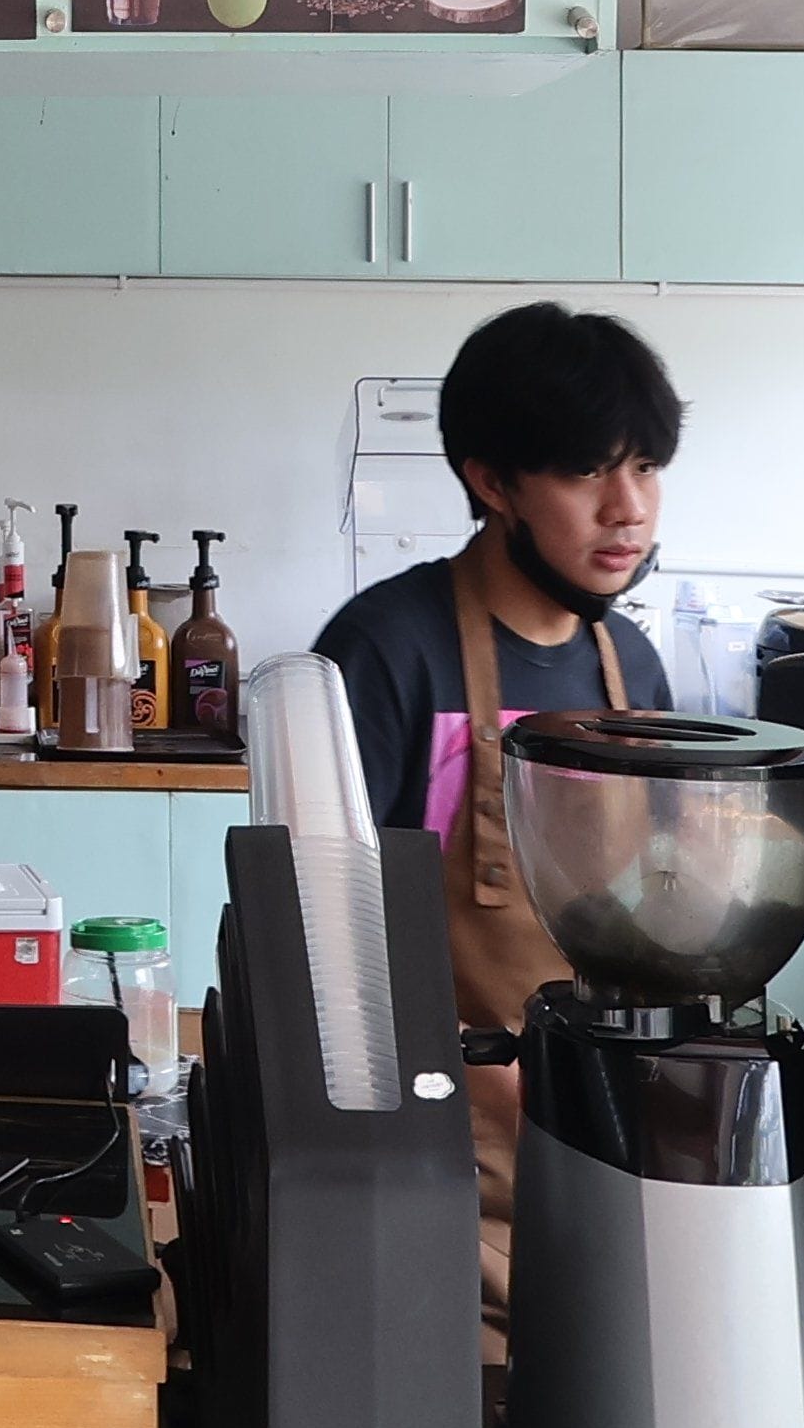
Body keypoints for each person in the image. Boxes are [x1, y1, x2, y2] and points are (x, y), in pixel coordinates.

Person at [305, 301, 714, 1327]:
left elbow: (652, 917)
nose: (629, 510)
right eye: (586, 474)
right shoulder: (386, 651)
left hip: (604, 1157)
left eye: (646, 468)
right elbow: (323, 935)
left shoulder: (633, 669)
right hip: (427, 1171)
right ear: (492, 483)